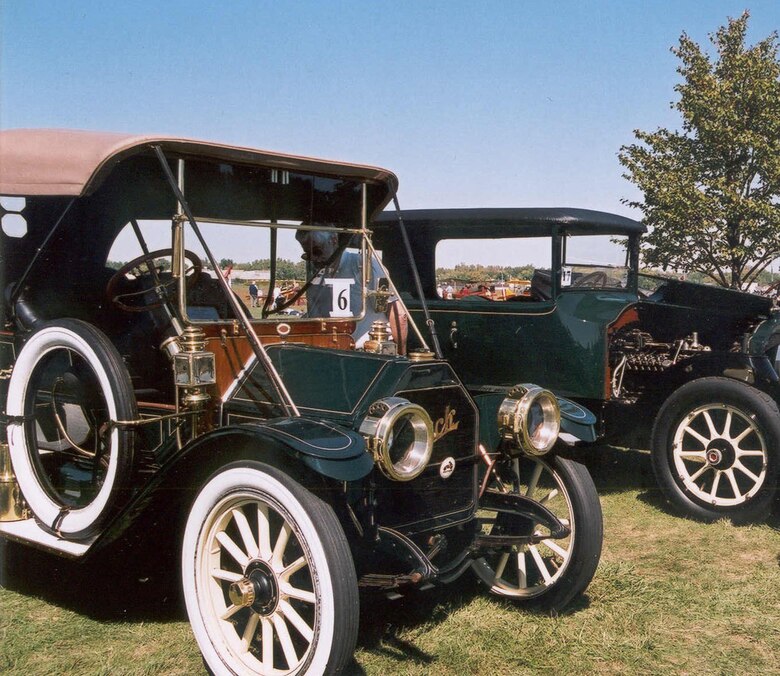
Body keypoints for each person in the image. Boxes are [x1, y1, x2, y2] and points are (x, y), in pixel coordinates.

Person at [295, 229, 407, 350]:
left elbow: (399, 315)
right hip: (329, 352)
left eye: (317, 251)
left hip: (367, 354)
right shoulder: (315, 274)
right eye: (308, 255)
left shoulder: (366, 266)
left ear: (334, 240)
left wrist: (400, 354)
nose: (314, 259)